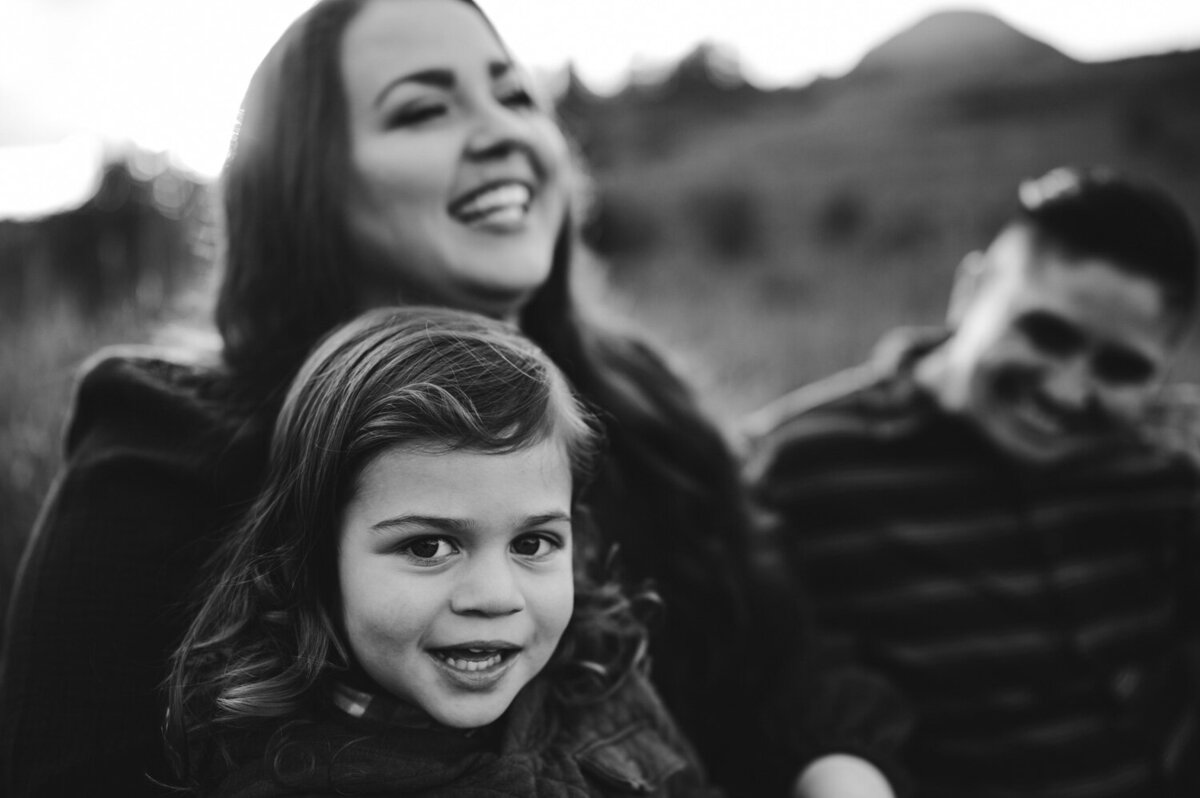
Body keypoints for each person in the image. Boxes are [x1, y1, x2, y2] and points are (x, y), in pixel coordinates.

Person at [0, 1, 904, 797]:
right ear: (308, 183)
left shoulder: (639, 401)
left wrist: (841, 777)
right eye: (424, 109)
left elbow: (784, 672)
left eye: (516, 97)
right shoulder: (169, 436)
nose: (504, 132)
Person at [745, 166, 1200, 797]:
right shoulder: (800, 463)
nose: (1069, 392)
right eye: (1046, 333)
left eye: (1121, 368)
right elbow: (788, 692)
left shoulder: (1165, 465)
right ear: (971, 291)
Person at [166, 305, 718, 797]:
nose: (495, 597)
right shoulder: (279, 777)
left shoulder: (605, 684)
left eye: (532, 543)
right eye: (428, 547)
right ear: (313, 559)